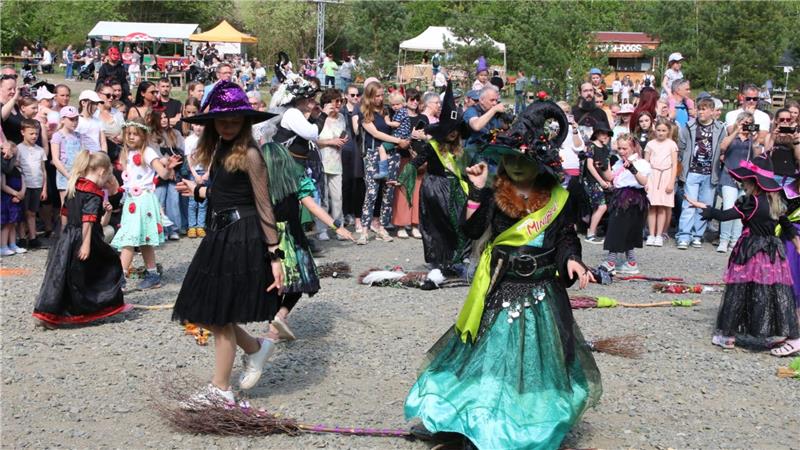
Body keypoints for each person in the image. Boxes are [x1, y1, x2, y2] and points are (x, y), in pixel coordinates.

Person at [405, 100, 600, 450]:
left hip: (542, 290)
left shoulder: (558, 198)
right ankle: (464, 421)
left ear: (541, 166)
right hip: (501, 287)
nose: (514, 166)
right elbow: (471, 230)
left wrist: (573, 260)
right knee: (486, 359)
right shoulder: (497, 192)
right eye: (510, 160)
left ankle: (530, 423)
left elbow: (567, 236)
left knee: (536, 366)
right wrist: (478, 191)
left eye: (524, 162)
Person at [172, 81, 283, 405]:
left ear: (246, 122)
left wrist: (275, 256)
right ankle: (254, 348)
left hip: (242, 238)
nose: (229, 126)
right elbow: (224, 193)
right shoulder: (219, 148)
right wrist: (197, 190)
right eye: (223, 121)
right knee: (197, 308)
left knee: (219, 315)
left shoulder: (251, 154)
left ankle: (221, 390)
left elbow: (264, 206)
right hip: (219, 235)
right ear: (212, 124)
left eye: (235, 121)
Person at [685, 156, 799, 356]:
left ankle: (727, 335)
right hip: (772, 253)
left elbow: (724, 216)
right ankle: (791, 336)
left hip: (751, 251)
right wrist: (798, 245)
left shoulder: (750, 202)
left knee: (739, 290)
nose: (743, 183)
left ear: (753, 182)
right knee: (774, 292)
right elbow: (788, 228)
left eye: (745, 180)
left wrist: (703, 207)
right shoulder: (776, 201)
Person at [32, 150, 128, 327]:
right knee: (106, 266)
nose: (106, 181)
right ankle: (93, 307)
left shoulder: (74, 185)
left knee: (63, 274)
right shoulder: (94, 192)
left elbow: (65, 213)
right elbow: (89, 220)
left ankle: (52, 311)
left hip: (68, 234)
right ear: (101, 171)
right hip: (86, 237)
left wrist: (64, 237)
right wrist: (85, 244)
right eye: (107, 176)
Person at [399, 81, 469, 272]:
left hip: (454, 189)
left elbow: (466, 171)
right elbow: (415, 162)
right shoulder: (433, 146)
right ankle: (439, 261)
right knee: (436, 225)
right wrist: (402, 179)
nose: (453, 133)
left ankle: (456, 260)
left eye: (456, 130)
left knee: (458, 224)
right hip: (434, 188)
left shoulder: (460, 150)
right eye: (450, 129)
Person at [110, 119, 181, 290]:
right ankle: (153, 274)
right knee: (143, 240)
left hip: (143, 200)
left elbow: (163, 174)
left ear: (143, 136)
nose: (131, 137)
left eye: (135, 134)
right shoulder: (125, 154)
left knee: (129, 238)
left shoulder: (148, 152)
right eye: (129, 134)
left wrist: (169, 167)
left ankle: (119, 280)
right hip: (131, 200)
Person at [356, 81, 411, 244]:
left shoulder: (386, 110)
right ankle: (365, 230)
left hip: (392, 154)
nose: (380, 99)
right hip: (373, 154)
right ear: (369, 96)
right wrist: (398, 140)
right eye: (377, 96)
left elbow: (398, 124)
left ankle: (382, 226)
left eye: (382, 95)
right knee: (371, 193)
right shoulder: (364, 112)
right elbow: (376, 133)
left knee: (389, 191)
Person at [676, 97, 726, 249]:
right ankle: (684, 235)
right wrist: (684, 164)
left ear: (712, 111)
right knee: (688, 204)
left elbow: (723, 146)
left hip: (710, 172)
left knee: (705, 205)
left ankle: (697, 234)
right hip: (692, 170)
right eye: (699, 109)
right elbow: (682, 145)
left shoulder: (719, 128)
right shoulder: (689, 126)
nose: (700, 112)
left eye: (704, 109)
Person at [601, 134, 651, 274]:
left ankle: (610, 261)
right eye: (619, 149)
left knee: (617, 229)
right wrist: (602, 166)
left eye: (625, 148)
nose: (621, 151)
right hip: (619, 195)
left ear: (633, 147)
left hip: (632, 198)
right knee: (625, 230)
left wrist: (633, 169)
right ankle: (631, 262)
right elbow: (611, 177)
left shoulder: (642, 163)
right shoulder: (618, 162)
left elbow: (644, 181)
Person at [716, 112, 757, 253]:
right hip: (729, 177)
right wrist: (736, 131)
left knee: (741, 211)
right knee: (728, 208)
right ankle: (724, 239)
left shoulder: (752, 140)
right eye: (744, 121)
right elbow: (723, 147)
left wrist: (755, 139)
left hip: (746, 181)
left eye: (749, 122)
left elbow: (757, 157)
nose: (746, 124)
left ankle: (735, 240)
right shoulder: (732, 137)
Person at [392, 89, 424, 239]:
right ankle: (401, 224)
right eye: (412, 99)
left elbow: (430, 135)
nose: (415, 102)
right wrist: (408, 138)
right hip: (404, 156)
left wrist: (423, 136)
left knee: (417, 193)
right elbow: (394, 136)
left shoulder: (423, 118)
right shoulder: (400, 116)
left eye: (417, 99)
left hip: (419, 160)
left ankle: (415, 224)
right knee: (403, 191)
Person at [316, 90, 348, 240]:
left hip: (336, 161)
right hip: (321, 161)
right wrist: (330, 141)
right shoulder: (318, 118)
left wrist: (342, 140)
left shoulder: (341, 117)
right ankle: (321, 229)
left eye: (340, 101)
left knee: (337, 197)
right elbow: (312, 139)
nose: (339, 104)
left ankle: (338, 226)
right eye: (336, 101)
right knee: (323, 198)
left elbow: (342, 134)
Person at [644, 118, 678, 247]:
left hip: (666, 175)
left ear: (669, 131)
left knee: (663, 207)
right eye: (658, 130)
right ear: (655, 130)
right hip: (653, 175)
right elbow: (645, 164)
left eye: (664, 130)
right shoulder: (650, 144)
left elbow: (674, 165)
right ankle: (651, 234)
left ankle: (659, 235)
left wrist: (671, 182)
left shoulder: (672, 144)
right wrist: (646, 181)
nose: (661, 133)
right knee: (652, 206)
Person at [17, 119, 48, 249]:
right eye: (31, 133)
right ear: (23, 132)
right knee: (23, 213)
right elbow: (17, 168)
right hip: (25, 186)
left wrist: (44, 188)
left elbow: (43, 170)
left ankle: (33, 238)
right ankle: (23, 238)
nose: (34, 136)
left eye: (36, 133)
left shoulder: (40, 150)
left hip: (37, 185)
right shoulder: (19, 148)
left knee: (32, 212)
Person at [583, 123, 613, 244]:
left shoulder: (606, 149)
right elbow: (589, 165)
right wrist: (601, 181)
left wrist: (609, 180)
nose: (605, 136)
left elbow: (607, 166)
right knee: (602, 206)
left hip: (603, 181)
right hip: (592, 181)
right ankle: (590, 233)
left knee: (600, 206)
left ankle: (592, 231)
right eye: (602, 133)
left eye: (607, 133)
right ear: (596, 133)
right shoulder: (591, 146)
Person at [340, 84, 364, 231]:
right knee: (345, 182)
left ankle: (356, 213)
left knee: (357, 182)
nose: (355, 97)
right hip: (345, 149)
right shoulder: (342, 112)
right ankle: (346, 212)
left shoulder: (361, 110)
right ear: (346, 96)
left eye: (357, 95)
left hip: (358, 149)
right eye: (352, 95)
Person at [51, 106, 83, 212]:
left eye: (76, 119)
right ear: (63, 120)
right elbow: (55, 159)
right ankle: (65, 227)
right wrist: (67, 175)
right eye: (71, 119)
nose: (74, 122)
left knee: (78, 204)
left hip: (78, 173)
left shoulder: (78, 136)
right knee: (66, 205)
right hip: (65, 175)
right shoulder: (58, 136)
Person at [1, 141, 27, 255]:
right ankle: (3, 246)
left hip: (17, 198)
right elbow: (3, 185)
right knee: (7, 223)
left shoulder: (19, 169)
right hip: (8, 198)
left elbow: (24, 181)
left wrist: (21, 194)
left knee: (13, 222)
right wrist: (15, 193)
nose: (16, 159)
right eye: (13, 155)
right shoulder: (5, 168)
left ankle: (12, 244)